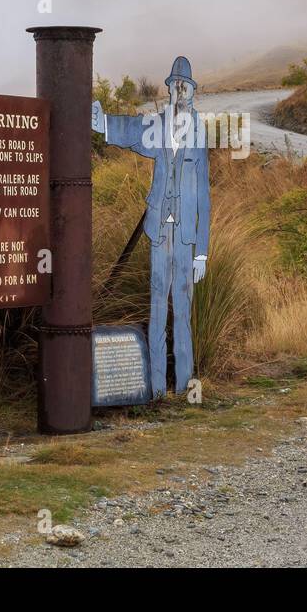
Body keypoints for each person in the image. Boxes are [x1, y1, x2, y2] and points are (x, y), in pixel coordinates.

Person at [91, 56, 210, 398]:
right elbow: (130, 131)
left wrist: (202, 252)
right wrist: (103, 122)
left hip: (186, 236)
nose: (178, 90)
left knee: (182, 311)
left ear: (192, 92)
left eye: (184, 85)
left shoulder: (199, 132)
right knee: (158, 308)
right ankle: (157, 390)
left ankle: (187, 388)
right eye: (174, 85)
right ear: (169, 89)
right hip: (159, 232)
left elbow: (203, 193)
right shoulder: (156, 126)